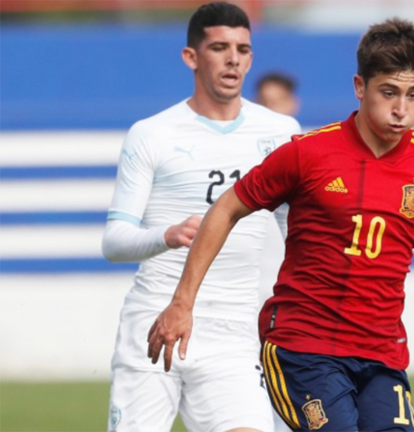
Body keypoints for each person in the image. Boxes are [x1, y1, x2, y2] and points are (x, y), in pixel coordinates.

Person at [147, 18, 414, 432]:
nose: (401, 109)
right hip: (301, 348)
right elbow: (226, 208)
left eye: (413, 95)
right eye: (389, 92)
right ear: (360, 87)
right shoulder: (309, 154)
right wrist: (183, 302)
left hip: (382, 356)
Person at [101, 3, 300, 432]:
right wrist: (166, 235)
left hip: (234, 330)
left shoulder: (282, 132)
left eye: (243, 49)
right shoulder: (153, 133)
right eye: (219, 47)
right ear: (191, 57)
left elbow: (296, 232)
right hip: (156, 321)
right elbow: (114, 241)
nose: (233, 59)